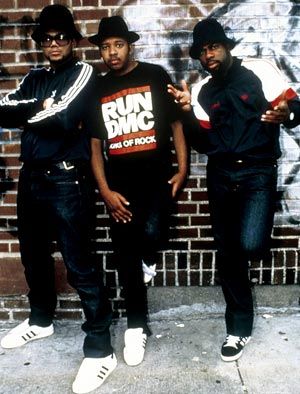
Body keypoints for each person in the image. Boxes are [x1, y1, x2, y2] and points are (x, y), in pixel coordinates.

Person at [168, 18, 300, 362]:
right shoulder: (201, 90)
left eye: (213, 47)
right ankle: (238, 328)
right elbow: (203, 142)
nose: (208, 55)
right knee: (228, 253)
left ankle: (242, 308)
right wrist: (185, 114)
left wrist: (286, 114)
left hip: (258, 171)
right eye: (202, 51)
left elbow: (293, 105)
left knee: (250, 244)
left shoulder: (260, 71)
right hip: (221, 174)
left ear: (226, 47)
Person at [0, 5, 117, 393]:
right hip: (32, 178)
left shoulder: (83, 73)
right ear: (41, 43)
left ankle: (100, 348)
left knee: (79, 262)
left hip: (67, 180)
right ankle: (40, 319)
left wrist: (34, 113)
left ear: (73, 41)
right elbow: (2, 110)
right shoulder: (34, 78)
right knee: (33, 254)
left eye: (61, 37)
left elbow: (65, 118)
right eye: (47, 38)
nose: (54, 44)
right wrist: (39, 107)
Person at [88, 16, 187, 366]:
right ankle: (136, 327)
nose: (111, 52)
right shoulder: (98, 89)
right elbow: (95, 146)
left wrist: (183, 169)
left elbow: (176, 124)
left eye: (117, 44)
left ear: (130, 46)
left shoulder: (155, 75)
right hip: (120, 188)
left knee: (155, 233)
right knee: (126, 257)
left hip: (157, 178)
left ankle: (148, 260)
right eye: (104, 46)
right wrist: (105, 192)